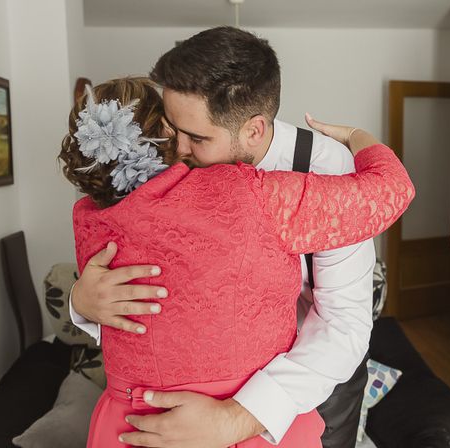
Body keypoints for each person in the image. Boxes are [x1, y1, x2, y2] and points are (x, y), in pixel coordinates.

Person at [59, 76, 414, 447]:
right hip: (211, 425)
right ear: (166, 129)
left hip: (253, 400)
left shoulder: (88, 217)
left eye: (196, 134)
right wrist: (80, 301)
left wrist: (238, 418)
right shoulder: (247, 190)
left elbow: (345, 328)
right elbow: (389, 191)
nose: (187, 144)